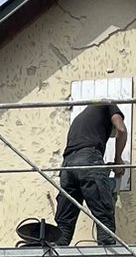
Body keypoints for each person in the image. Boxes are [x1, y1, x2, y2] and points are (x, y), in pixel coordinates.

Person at [49, 97, 128, 247]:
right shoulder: (107, 105)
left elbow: (82, 164)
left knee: (64, 223)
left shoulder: (81, 119)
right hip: (88, 159)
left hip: (67, 166)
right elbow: (121, 130)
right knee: (104, 217)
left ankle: (58, 256)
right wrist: (118, 159)